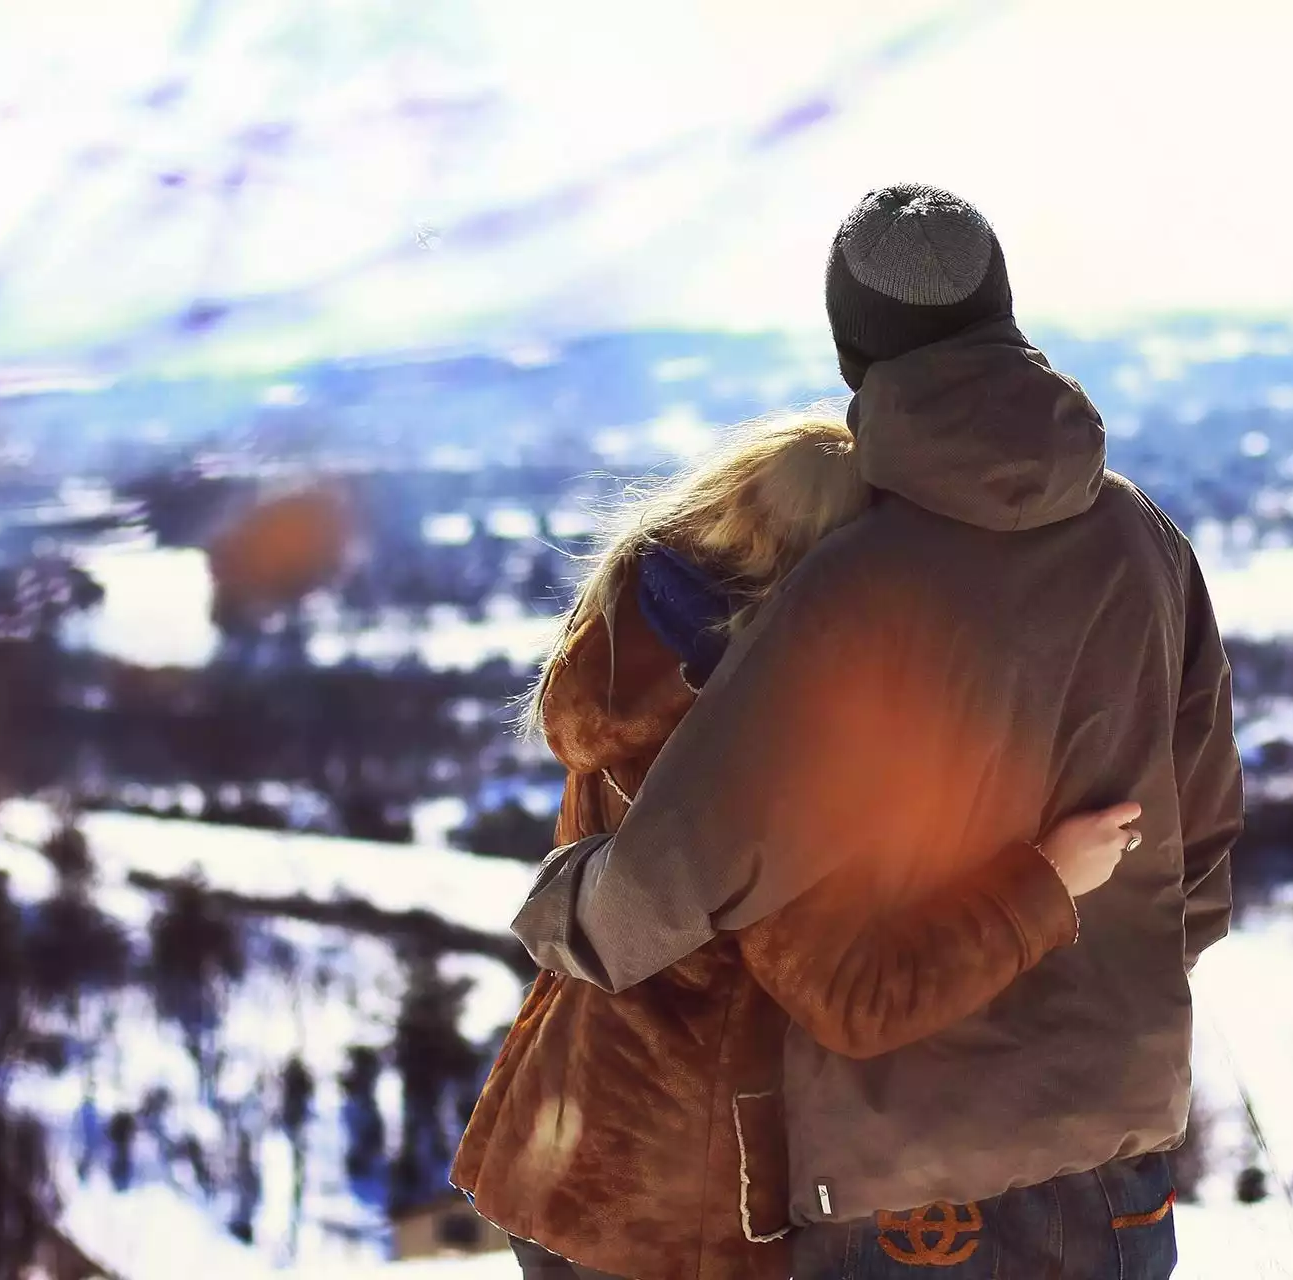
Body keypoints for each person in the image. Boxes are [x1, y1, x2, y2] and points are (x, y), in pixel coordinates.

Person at [511, 184, 1243, 1279]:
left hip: (910, 1192)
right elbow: (1204, 849)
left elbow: (684, 871)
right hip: (1115, 1162)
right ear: (1004, 311)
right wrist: (1089, 1001)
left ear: (854, 352)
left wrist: (561, 908)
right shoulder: (1144, 541)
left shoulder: (849, 589)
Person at [453, 412, 1144, 1280]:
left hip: (564, 1146)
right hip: (678, 1211)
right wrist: (1045, 883)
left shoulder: (633, 655)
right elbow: (854, 999)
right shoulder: (769, 754)